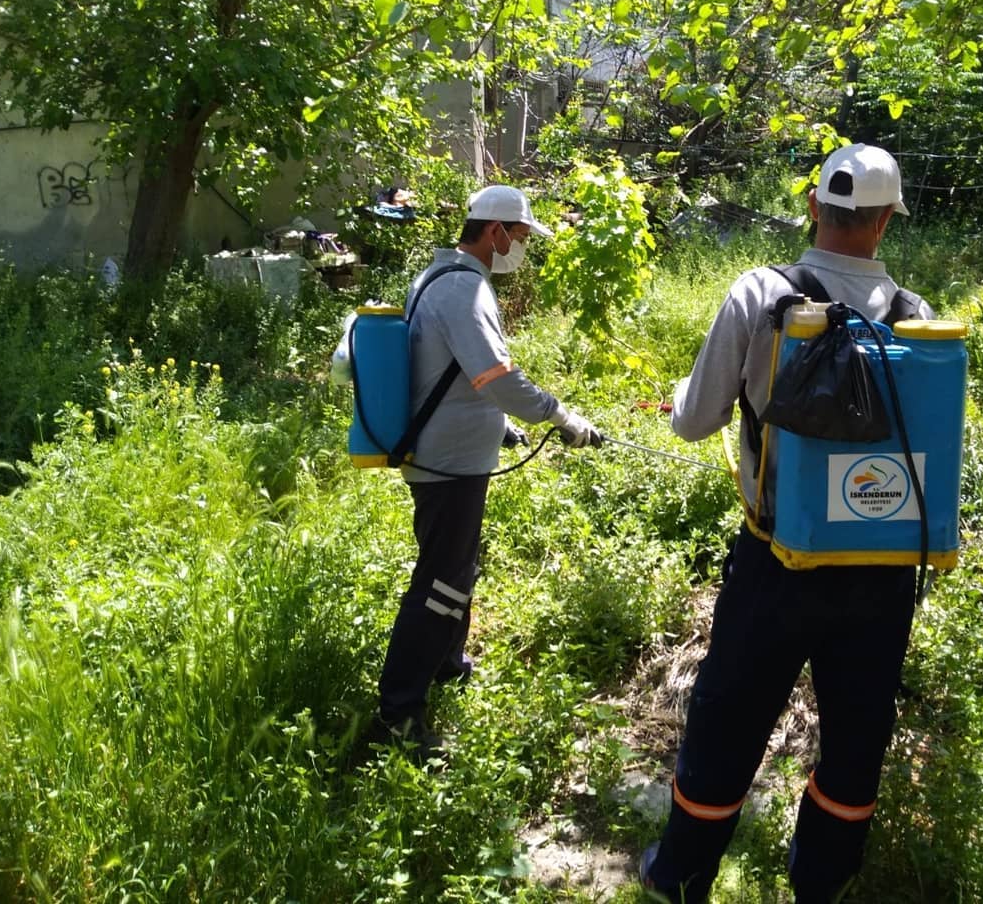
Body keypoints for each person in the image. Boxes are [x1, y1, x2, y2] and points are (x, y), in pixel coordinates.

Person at [640, 144, 935, 903]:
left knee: (728, 718)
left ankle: (678, 877)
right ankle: (820, 885)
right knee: (857, 732)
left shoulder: (760, 293)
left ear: (814, 208)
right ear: (885, 223)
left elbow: (697, 421)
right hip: (882, 574)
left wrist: (684, 397)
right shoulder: (916, 318)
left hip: (777, 564)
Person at [376, 183, 602, 758]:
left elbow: (446, 370)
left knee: (457, 567)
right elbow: (495, 378)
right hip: (449, 464)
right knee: (440, 582)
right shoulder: (463, 290)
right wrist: (562, 416)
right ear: (495, 231)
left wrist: (499, 425)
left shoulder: (443, 277)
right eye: (521, 237)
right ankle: (400, 712)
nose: (521, 248)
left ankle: (448, 663)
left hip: (452, 452)